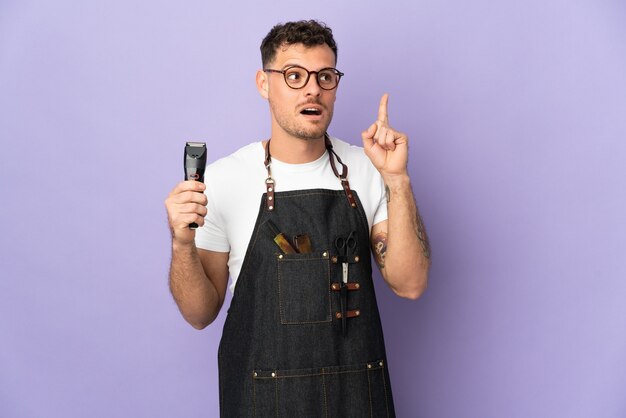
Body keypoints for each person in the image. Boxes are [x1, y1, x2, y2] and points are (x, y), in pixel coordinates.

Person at [165, 20, 430, 417]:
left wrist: (397, 179)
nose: (312, 89)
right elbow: (200, 314)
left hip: (357, 398)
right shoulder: (225, 179)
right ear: (263, 83)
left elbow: (410, 284)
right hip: (263, 403)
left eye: (325, 76)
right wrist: (182, 244)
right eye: (294, 75)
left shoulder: (368, 169)